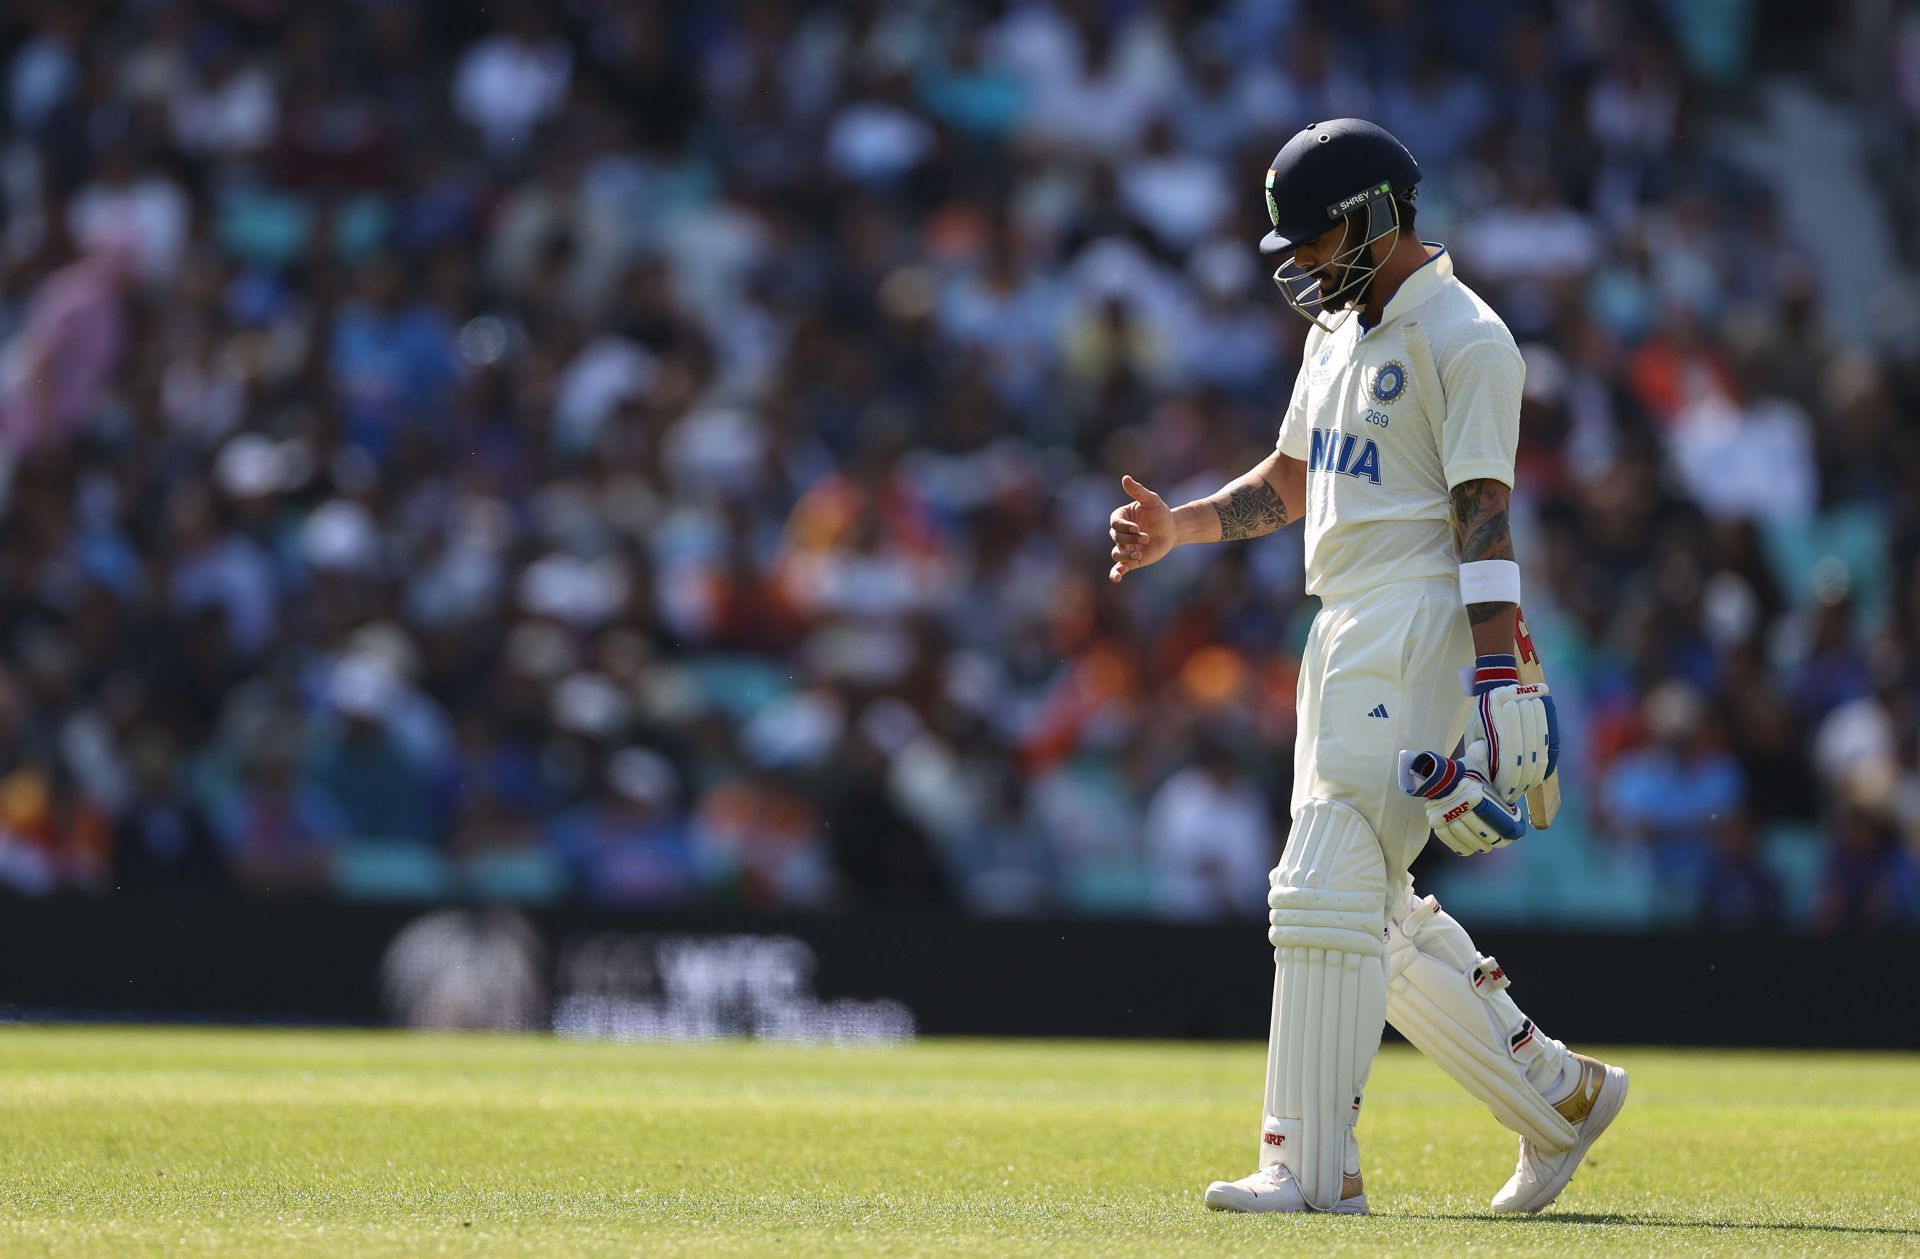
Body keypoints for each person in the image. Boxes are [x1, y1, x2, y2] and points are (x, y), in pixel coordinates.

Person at [1107, 119, 1626, 1216]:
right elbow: (1296, 476)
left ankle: (1307, 1163)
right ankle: (1557, 1092)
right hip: (1341, 620)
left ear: (1385, 213)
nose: (1298, 260)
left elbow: (1484, 516)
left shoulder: (1469, 338)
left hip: (1419, 616)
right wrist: (1182, 528)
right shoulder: (1336, 332)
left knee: (1319, 885)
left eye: (1318, 232)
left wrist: (1500, 677)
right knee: (1369, 911)